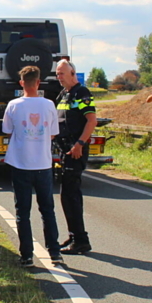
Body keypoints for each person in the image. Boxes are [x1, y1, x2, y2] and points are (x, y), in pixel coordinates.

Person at [2, 66, 63, 267]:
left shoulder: (13, 105)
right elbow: (53, 133)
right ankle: (54, 252)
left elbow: (8, 131)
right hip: (43, 164)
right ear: (38, 82)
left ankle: (27, 255)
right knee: (47, 210)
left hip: (20, 163)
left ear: (21, 83)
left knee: (23, 212)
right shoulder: (49, 105)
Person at [55, 60, 97, 255]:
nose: (59, 77)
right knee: (66, 195)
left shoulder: (82, 93)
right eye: (57, 73)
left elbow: (91, 120)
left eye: (62, 73)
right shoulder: (63, 95)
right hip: (65, 151)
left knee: (71, 196)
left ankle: (81, 240)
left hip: (75, 149)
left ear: (73, 73)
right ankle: (74, 236)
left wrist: (80, 143)